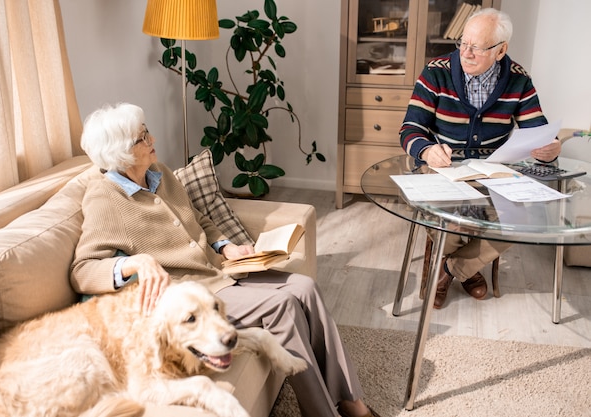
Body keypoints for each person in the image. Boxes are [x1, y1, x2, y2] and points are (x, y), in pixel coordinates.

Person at [70, 102, 380, 417]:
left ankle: (351, 402)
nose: (152, 140)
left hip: (219, 270)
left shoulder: (159, 173)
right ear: (120, 152)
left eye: (146, 132)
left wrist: (225, 246)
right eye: (142, 138)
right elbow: (83, 270)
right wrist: (136, 263)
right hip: (189, 293)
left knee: (304, 287)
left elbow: (198, 218)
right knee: (283, 304)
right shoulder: (104, 198)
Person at [399, 8, 561, 309]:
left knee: (523, 221)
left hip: (493, 173)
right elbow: (410, 129)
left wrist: (549, 148)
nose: (466, 52)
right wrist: (425, 149)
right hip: (443, 169)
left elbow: (538, 131)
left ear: (501, 50)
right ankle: (468, 268)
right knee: (449, 223)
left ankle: (450, 270)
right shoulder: (436, 72)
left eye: (477, 46)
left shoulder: (518, 80)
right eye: (463, 43)